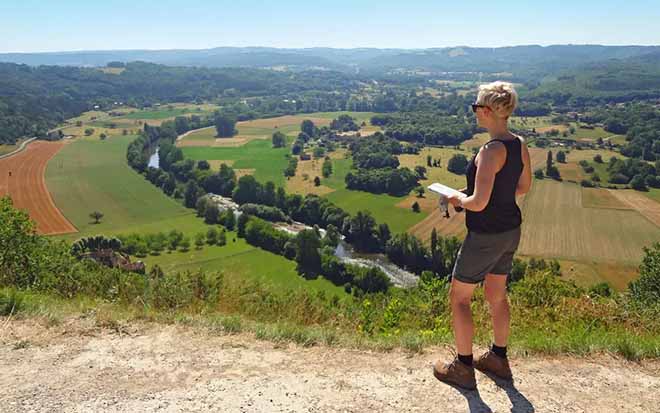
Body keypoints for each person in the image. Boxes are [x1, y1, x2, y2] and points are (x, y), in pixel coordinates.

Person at [433, 81, 532, 390]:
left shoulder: (490, 151)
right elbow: (522, 188)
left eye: (476, 107)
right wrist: (476, 196)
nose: (474, 112)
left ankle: (463, 368)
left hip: (485, 235)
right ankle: (498, 359)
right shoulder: (518, 144)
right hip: (509, 231)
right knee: (496, 295)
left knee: (459, 298)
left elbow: (478, 203)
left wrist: (457, 199)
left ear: (488, 111)